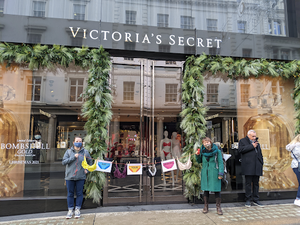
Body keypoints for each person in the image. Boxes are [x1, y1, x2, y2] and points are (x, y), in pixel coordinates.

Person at [62, 136, 93, 219]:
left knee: (79, 193)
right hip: (69, 177)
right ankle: (70, 210)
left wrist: (87, 170)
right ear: (73, 142)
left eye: (80, 141)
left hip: (81, 177)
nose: (78, 142)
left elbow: (90, 162)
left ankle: (78, 209)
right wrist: (73, 157)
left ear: (82, 143)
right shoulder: (68, 152)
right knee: (70, 193)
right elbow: (64, 162)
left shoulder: (85, 152)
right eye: (77, 141)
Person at [196, 137, 224, 215]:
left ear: (211, 142)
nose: (206, 144)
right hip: (205, 172)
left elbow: (220, 163)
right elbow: (199, 161)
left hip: (214, 172)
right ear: (203, 144)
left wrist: (220, 173)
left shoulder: (217, 151)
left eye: (207, 142)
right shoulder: (202, 151)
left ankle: (218, 208)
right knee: (206, 190)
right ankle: (206, 206)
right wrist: (197, 155)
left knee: (216, 190)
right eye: (204, 143)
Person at [238, 130, 264, 207]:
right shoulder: (243, 141)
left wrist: (261, 162)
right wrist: (252, 146)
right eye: (252, 136)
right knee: (248, 183)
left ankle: (256, 199)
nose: (254, 138)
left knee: (256, 183)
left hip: (257, 165)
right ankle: (248, 199)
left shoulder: (257, 142)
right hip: (248, 166)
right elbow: (241, 150)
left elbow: (259, 153)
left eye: (255, 136)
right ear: (248, 135)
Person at [286, 134, 300, 207]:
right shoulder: (298, 146)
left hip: (296, 165)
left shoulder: (294, 145)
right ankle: (298, 199)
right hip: (298, 165)